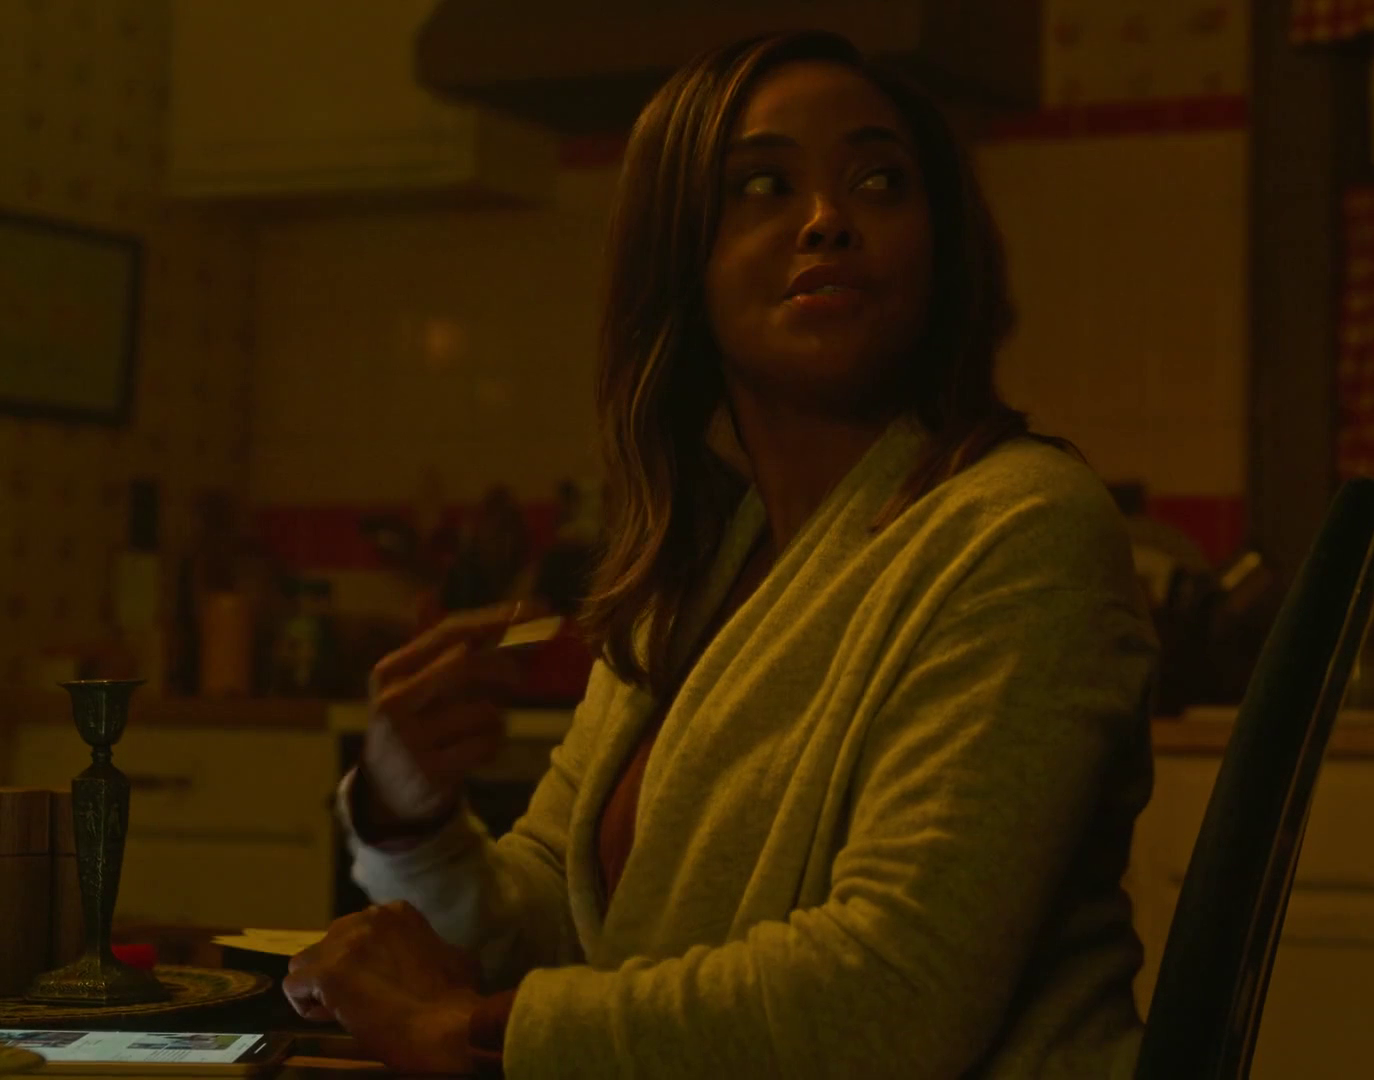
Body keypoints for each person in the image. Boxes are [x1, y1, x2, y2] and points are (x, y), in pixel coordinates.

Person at [282, 29, 1159, 1079]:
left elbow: (890, 1000)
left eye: (880, 181)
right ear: (679, 260)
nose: (828, 219)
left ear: (939, 248)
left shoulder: (1019, 527)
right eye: (763, 185)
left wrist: (467, 1030)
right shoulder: (690, 575)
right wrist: (407, 817)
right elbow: (560, 929)